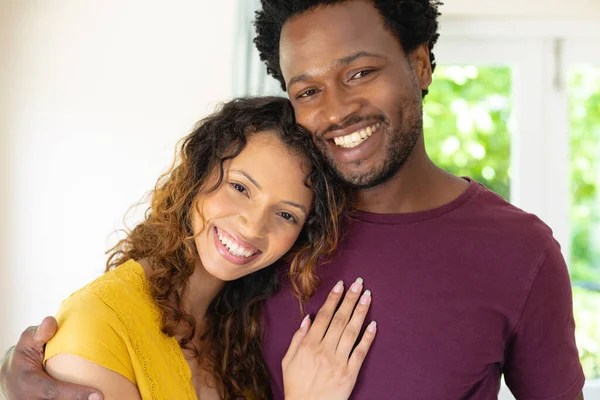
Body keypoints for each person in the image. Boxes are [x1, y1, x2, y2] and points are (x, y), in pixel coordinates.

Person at [1, 0, 586, 399]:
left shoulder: (519, 252)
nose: (334, 109)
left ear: (420, 63)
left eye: (359, 73)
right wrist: (37, 369)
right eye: (308, 89)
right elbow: (137, 333)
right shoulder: (267, 245)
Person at [1, 96, 378, 400]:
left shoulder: (239, 330)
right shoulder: (99, 321)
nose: (252, 225)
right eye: (240, 187)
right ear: (197, 175)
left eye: (286, 214)